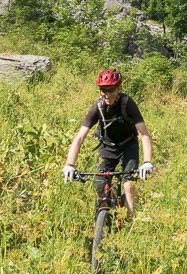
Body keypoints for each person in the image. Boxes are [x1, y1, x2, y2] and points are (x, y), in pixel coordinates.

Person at [62, 68, 153, 218]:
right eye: (103, 90)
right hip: (107, 147)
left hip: (128, 146)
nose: (106, 94)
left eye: (111, 90)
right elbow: (79, 137)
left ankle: (129, 223)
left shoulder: (127, 103)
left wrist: (147, 162)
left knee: (128, 185)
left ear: (119, 89)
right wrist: (69, 165)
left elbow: (143, 134)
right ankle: (103, 221)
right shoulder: (98, 107)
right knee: (101, 186)